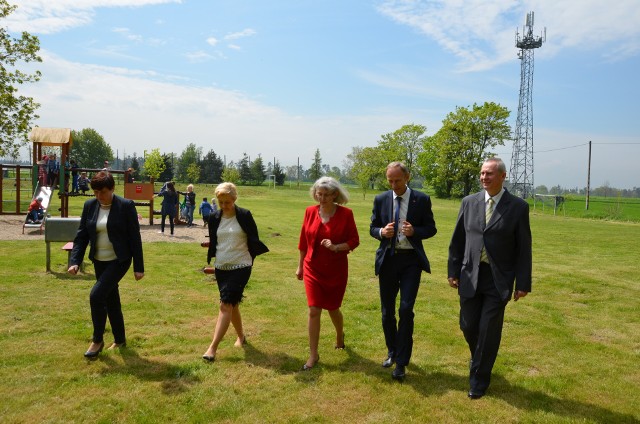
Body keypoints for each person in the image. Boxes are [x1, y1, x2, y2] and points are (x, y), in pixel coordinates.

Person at [447, 157, 532, 399]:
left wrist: (523, 283)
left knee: (488, 330)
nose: (484, 177)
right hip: (469, 275)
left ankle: (479, 380)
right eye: (482, 173)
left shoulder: (517, 207)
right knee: (468, 325)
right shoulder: (469, 202)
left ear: (503, 176)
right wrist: (453, 271)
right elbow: (458, 240)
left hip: (498, 278)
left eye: (490, 174)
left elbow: (524, 248)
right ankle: (480, 359)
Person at [369, 161, 437, 380]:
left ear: (407, 177)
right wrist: (381, 231)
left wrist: (415, 231)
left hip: (410, 262)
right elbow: (372, 227)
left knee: (406, 310)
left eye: (397, 180)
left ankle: (401, 362)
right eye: (390, 180)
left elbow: (431, 228)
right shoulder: (381, 199)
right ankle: (392, 351)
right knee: (387, 312)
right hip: (388, 260)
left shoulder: (422, 199)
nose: (393, 184)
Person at [68, 171, 144, 358]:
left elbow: (135, 237)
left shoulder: (125, 206)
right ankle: (119, 340)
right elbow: (81, 236)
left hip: (119, 260)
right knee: (111, 299)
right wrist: (75, 261)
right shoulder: (90, 206)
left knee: (96, 295)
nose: (99, 196)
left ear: (112, 188)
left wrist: (139, 267)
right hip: (99, 260)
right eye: (95, 192)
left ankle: (97, 340)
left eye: (102, 192)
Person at [296, 177, 359, 371]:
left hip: (336, 269)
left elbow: (354, 241)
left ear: (334, 195)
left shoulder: (346, 214)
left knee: (333, 308)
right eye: (318, 194)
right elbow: (303, 242)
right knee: (314, 309)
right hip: (312, 267)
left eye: (325, 195)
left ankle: (340, 334)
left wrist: (336, 247)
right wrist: (300, 266)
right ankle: (313, 354)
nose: (321, 198)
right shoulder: (309, 212)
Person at [202, 182, 269, 362]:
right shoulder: (214, 217)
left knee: (225, 305)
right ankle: (241, 337)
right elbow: (216, 240)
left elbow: (253, 239)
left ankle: (212, 348)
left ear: (234, 199)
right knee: (233, 304)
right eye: (221, 202)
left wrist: (250, 259)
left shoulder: (245, 215)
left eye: (227, 202)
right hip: (221, 265)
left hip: (241, 265)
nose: (224, 206)